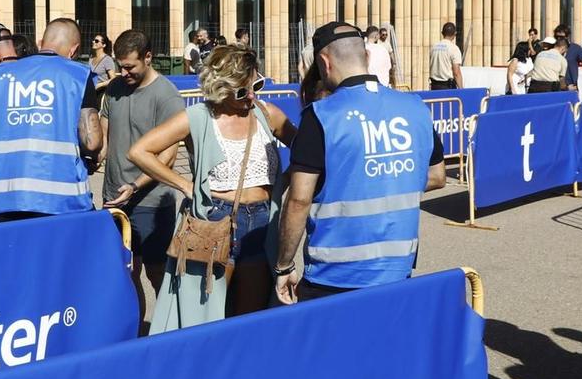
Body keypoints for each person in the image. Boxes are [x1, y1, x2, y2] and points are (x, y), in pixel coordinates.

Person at [274, 22, 444, 303]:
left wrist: (284, 264)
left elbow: (299, 201)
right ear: (366, 54)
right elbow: (437, 176)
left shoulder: (320, 117)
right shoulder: (415, 107)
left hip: (333, 275)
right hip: (397, 268)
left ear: (324, 63)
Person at [131, 44, 295, 328]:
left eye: (256, 84)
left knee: (250, 319)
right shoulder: (199, 117)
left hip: (261, 224)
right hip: (213, 223)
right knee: (207, 317)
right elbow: (140, 151)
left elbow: (307, 152)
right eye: (242, 92)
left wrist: (289, 182)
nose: (252, 96)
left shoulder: (267, 113)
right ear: (220, 87)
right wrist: (184, 184)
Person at [0, 19, 100, 222]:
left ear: (41, 42)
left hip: (6, 199)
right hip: (65, 198)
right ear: (73, 50)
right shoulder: (79, 75)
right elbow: (92, 142)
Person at [98, 30, 188, 301]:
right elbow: (105, 138)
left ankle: (166, 333)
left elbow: (168, 158)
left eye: (129, 67)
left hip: (151, 201)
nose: (123, 72)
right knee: (124, 273)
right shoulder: (114, 88)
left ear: (148, 58)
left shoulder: (167, 96)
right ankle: (134, 329)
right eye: (119, 66)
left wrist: (135, 185)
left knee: (156, 272)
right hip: (113, 197)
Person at [428, 23, 464, 90]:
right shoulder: (454, 48)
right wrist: (461, 89)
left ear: (442, 33)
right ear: (455, 34)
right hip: (447, 87)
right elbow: (456, 72)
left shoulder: (434, 47)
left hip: (434, 86)